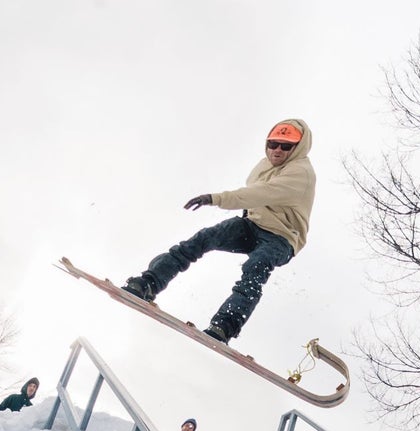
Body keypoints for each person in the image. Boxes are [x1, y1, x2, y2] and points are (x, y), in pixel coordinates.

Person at [123, 119, 315, 345]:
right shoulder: (263, 165)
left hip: (282, 239)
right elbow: (253, 194)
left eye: (286, 146)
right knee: (205, 238)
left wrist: (214, 199)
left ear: (298, 148)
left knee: (256, 266)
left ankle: (224, 326)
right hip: (251, 225)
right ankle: (149, 283)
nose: (277, 151)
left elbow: (258, 194)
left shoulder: (301, 173)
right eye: (273, 144)